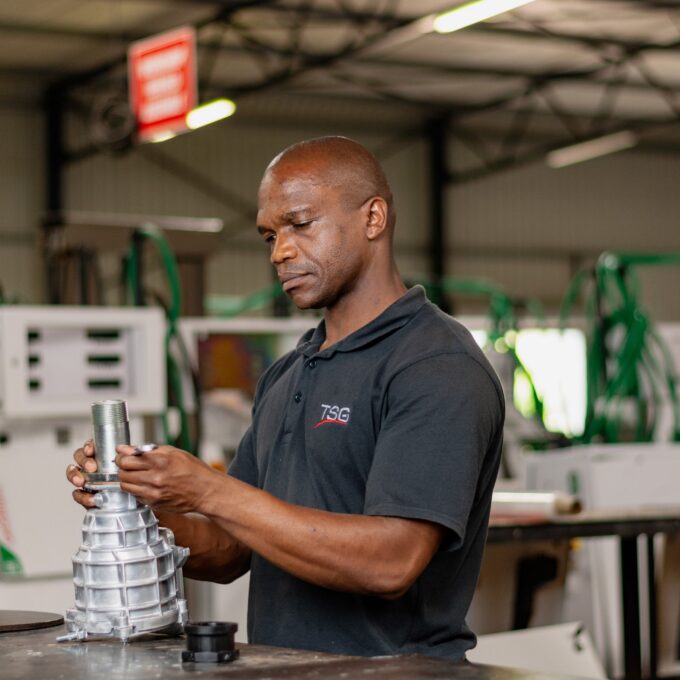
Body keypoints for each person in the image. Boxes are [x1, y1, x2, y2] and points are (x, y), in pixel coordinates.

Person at [67, 136, 504, 659]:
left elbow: (392, 563)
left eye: (300, 224)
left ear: (373, 218)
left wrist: (207, 489)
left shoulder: (433, 365)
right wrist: (138, 504)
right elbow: (230, 549)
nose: (280, 252)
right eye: (270, 236)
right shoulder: (289, 373)